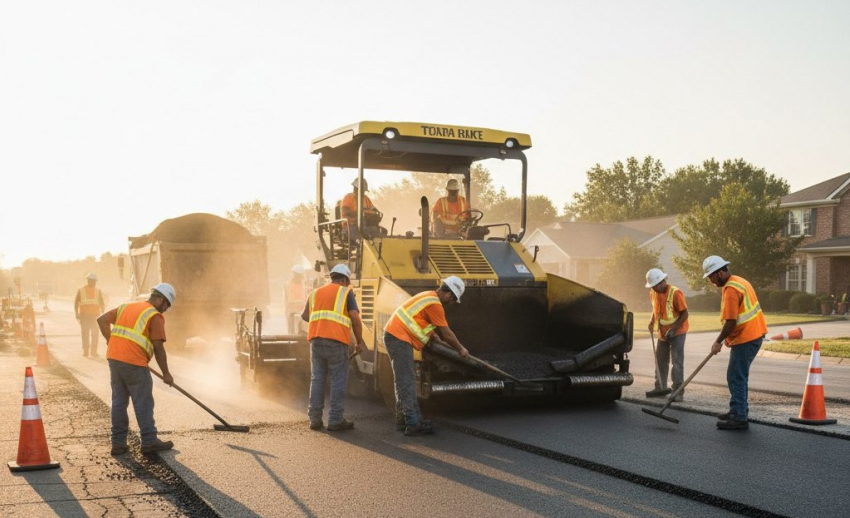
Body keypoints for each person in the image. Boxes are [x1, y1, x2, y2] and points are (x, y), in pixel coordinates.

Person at [383, 276, 469, 436]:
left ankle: (405, 420)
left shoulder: (428, 296)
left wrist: (431, 335)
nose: (451, 302)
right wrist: (460, 349)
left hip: (397, 336)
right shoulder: (435, 304)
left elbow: (418, 321)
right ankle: (413, 423)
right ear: (449, 293)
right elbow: (446, 334)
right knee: (406, 382)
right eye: (453, 298)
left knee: (403, 381)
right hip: (398, 338)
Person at [97, 283, 176, 455]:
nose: (165, 310)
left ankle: (118, 443)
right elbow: (158, 347)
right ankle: (148, 441)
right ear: (161, 299)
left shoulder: (126, 306)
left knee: (119, 402)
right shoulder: (154, 316)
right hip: (134, 363)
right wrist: (166, 374)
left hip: (114, 359)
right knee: (143, 402)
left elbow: (101, 319)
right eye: (166, 306)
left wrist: (111, 341)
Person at [703, 255, 767, 431]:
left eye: (711, 277)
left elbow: (730, 321)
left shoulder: (731, 289)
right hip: (751, 335)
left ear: (721, 272)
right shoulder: (740, 281)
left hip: (746, 338)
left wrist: (718, 341)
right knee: (736, 376)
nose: (711, 281)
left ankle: (739, 417)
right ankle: (738, 410)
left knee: (736, 377)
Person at [301, 263, 365, 431]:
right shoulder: (346, 292)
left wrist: (322, 324)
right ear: (344, 279)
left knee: (317, 379)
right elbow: (355, 319)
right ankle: (335, 419)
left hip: (315, 341)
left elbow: (306, 316)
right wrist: (359, 341)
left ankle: (314, 419)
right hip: (336, 342)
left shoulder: (314, 293)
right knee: (338, 379)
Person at [645, 268, 689, 401]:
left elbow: (685, 314)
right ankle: (660, 388)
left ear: (661, 282)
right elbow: (655, 308)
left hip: (678, 332)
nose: (653, 288)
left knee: (676, 361)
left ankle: (678, 392)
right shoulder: (653, 292)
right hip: (662, 333)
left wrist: (674, 329)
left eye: (654, 286)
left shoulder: (675, 293)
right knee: (660, 360)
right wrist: (652, 321)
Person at [75, 273, 106, 357]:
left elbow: (102, 302)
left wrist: (103, 309)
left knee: (95, 334)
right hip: (84, 316)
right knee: (85, 334)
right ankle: (85, 351)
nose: (94, 283)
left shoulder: (98, 291)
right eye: (92, 281)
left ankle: (93, 352)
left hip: (95, 317)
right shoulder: (81, 290)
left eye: (95, 281)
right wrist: (76, 314)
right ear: (88, 280)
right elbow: (76, 303)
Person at [285, 264, 308, 333]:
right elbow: (287, 299)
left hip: (303, 312)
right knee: (292, 332)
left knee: (303, 331)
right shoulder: (287, 285)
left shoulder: (305, 284)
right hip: (292, 312)